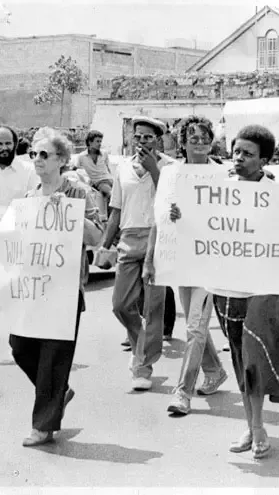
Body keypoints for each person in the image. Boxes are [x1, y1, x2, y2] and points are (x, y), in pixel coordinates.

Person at [171, 124, 279, 458]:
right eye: (236, 151)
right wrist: (181, 217)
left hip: (262, 290)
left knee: (252, 357)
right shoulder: (219, 188)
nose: (239, 158)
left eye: (248, 154)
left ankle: (259, 426)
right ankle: (251, 427)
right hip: (225, 288)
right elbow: (202, 229)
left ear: (264, 159)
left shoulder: (275, 192)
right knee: (238, 357)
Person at [7, 128, 102, 446]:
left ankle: (43, 426)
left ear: (61, 160)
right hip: (33, 287)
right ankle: (59, 391)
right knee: (19, 347)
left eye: (44, 154)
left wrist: (70, 216)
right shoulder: (29, 196)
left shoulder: (77, 192)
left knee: (53, 357)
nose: (36, 159)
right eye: (33, 153)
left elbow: (96, 237)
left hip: (65, 289)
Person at [144, 115, 228, 416]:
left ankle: (183, 392)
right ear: (183, 143)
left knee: (195, 326)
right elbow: (159, 216)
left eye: (206, 137)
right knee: (195, 325)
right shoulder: (171, 173)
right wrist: (150, 258)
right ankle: (215, 371)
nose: (201, 143)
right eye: (194, 138)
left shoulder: (223, 174)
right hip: (180, 257)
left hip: (210, 260)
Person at [100, 116, 173, 391]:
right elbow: (116, 209)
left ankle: (143, 366)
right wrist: (105, 244)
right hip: (129, 239)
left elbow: (170, 199)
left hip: (159, 239)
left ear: (158, 140)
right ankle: (140, 342)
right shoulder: (122, 168)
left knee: (154, 308)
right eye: (138, 137)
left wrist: (154, 169)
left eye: (148, 137)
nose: (142, 142)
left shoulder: (169, 167)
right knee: (120, 304)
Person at [0, 125, 38, 367]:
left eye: (8, 143)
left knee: (19, 289)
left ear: (15, 144)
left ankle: (23, 342)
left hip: (19, 234)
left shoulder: (27, 170)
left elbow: (35, 202)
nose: (4, 148)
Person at [74, 130, 113, 203]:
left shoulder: (104, 153)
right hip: (99, 182)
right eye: (97, 141)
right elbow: (74, 169)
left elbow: (108, 169)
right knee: (112, 196)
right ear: (90, 142)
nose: (100, 144)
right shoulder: (81, 157)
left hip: (110, 180)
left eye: (100, 141)